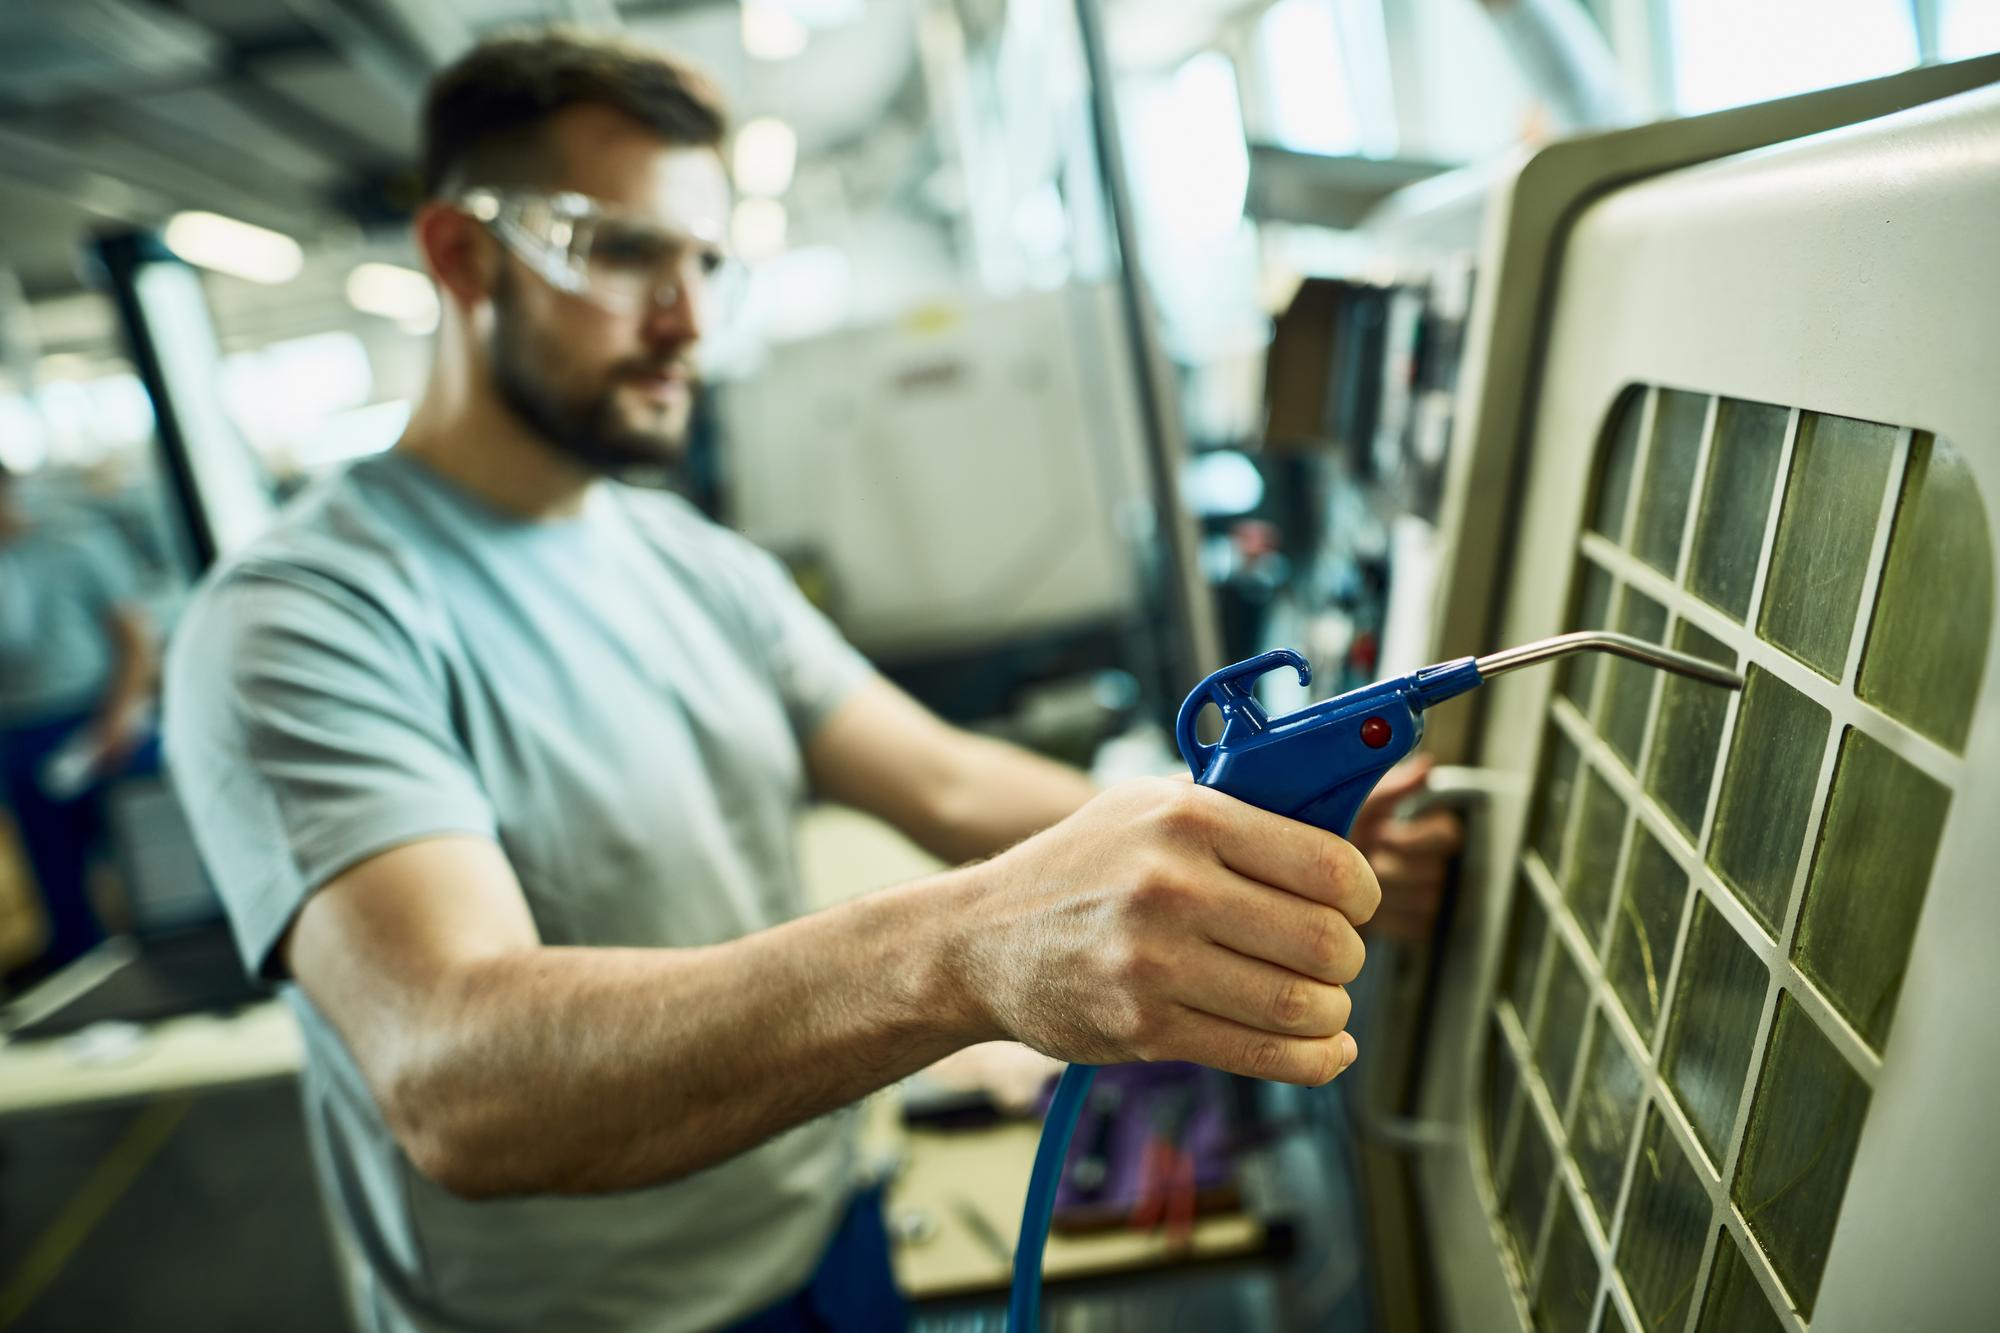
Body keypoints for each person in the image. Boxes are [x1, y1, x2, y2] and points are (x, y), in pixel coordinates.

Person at [162, 29, 1460, 1333]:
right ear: (460, 256)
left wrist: (1239, 847)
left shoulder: (685, 561)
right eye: (622, 252)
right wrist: (962, 951)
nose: (689, 320)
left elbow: (945, 777)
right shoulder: (304, 617)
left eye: (706, 262)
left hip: (828, 1247)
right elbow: (459, 1078)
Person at [0, 461, 156, 977]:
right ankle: (83, 978)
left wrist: (118, 719)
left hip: (93, 718)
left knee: (148, 864)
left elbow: (134, 639)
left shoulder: (77, 543)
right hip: (19, 731)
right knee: (56, 876)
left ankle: (171, 966)